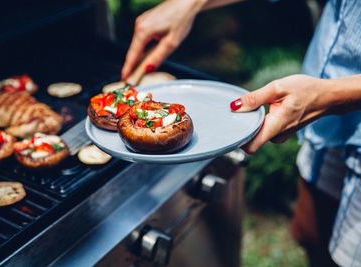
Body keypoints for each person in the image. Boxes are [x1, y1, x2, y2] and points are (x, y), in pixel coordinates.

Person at [120, 0, 361, 266]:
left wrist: (332, 95)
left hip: (339, 99)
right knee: (309, 233)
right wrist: (190, 4)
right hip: (328, 97)